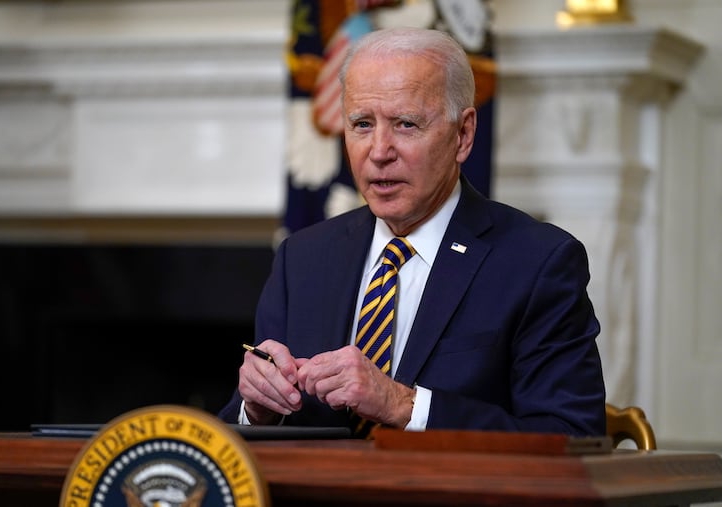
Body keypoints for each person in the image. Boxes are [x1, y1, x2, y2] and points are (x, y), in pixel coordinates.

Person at [219, 27, 606, 436]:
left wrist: (402, 405)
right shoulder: (302, 257)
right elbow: (239, 440)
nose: (380, 151)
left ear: (463, 134)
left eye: (406, 124)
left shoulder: (537, 262)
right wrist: (257, 408)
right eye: (362, 124)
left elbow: (572, 437)